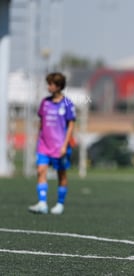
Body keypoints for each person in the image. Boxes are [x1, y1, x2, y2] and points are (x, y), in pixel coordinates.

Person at [28, 72, 76, 215]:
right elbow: (41, 122)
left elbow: (71, 125)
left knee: (61, 175)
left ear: (59, 86)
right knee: (40, 171)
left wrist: (64, 145)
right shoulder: (45, 102)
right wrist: (38, 139)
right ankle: (42, 203)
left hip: (59, 146)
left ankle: (60, 204)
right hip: (44, 145)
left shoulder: (67, 102)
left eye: (51, 84)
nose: (48, 86)